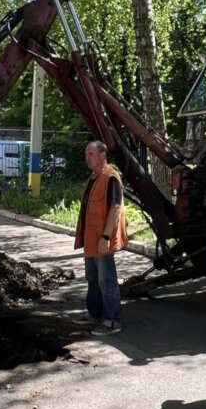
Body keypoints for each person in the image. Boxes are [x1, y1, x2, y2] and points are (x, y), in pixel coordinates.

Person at [72, 140, 127, 337]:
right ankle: (94, 313)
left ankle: (113, 321)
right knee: (93, 279)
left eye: (91, 154)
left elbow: (115, 208)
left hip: (102, 240)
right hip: (91, 240)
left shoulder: (111, 177)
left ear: (102, 156)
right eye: (86, 154)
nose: (87, 157)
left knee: (107, 281)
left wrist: (105, 236)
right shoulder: (94, 178)